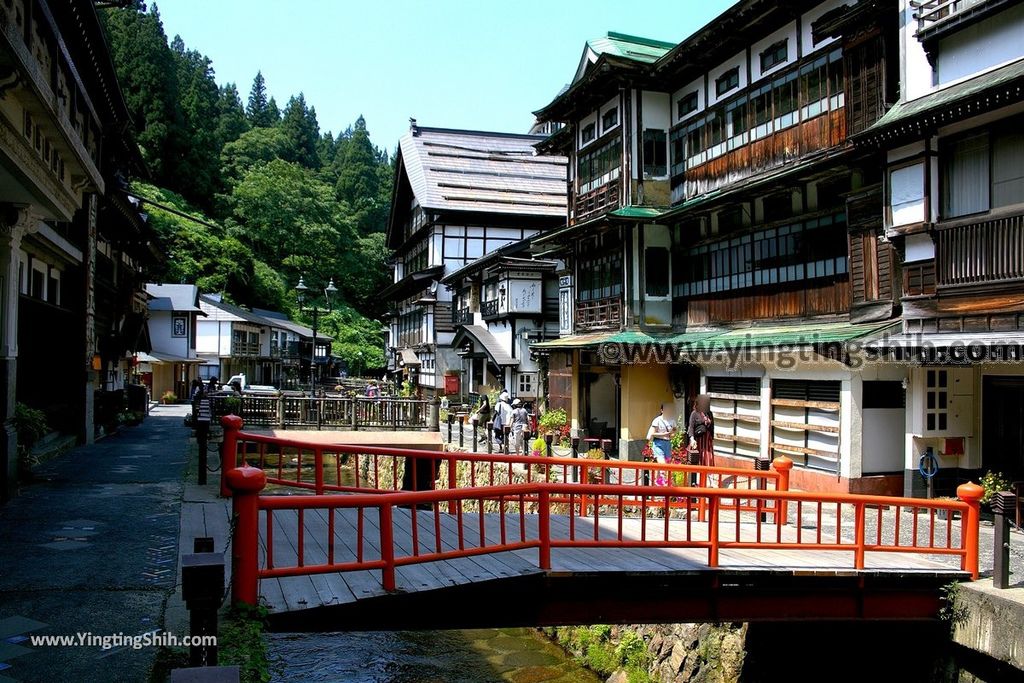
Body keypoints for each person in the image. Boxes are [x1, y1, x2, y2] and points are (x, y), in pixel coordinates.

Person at [688, 394, 715, 467]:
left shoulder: (709, 413)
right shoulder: (694, 413)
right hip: (698, 439)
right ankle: (698, 477)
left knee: (708, 459)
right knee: (697, 459)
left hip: (707, 439)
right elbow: (691, 427)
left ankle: (709, 477)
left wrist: (712, 438)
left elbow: (712, 426)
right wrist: (692, 439)